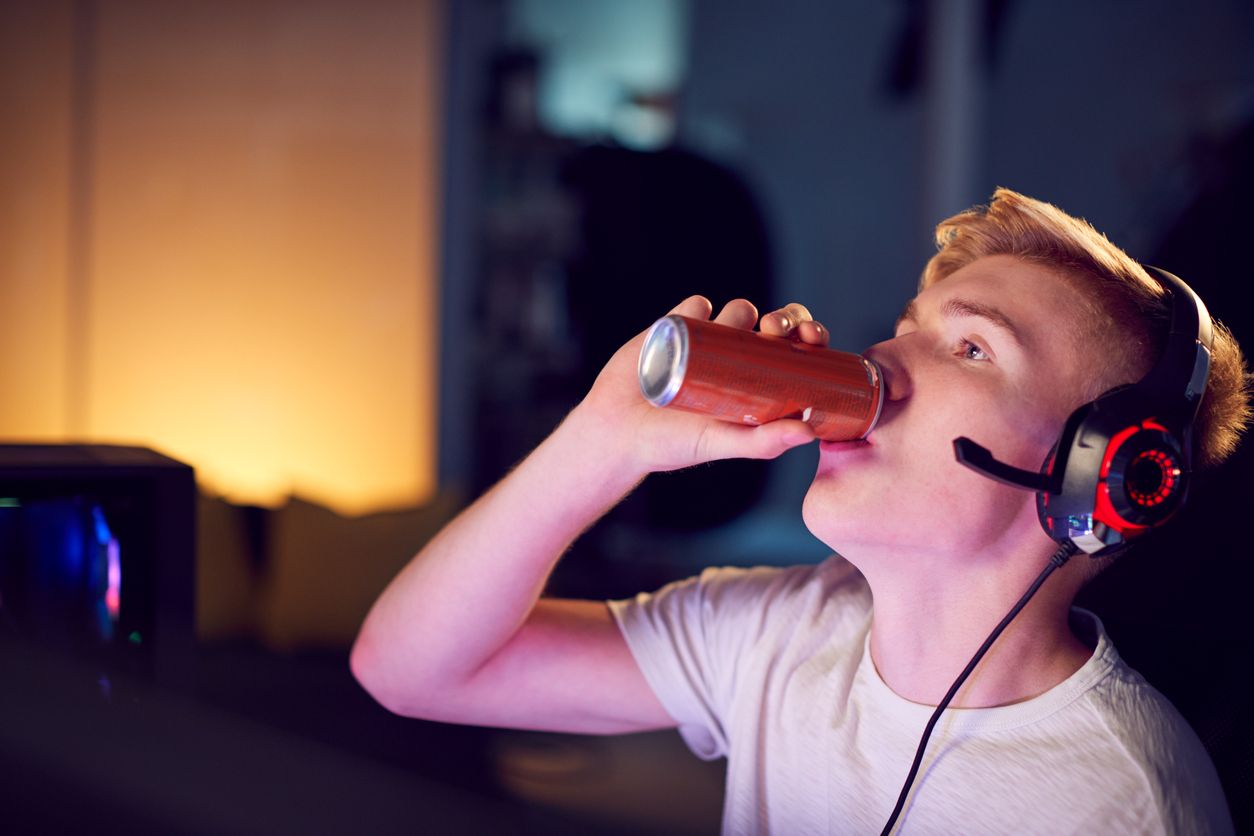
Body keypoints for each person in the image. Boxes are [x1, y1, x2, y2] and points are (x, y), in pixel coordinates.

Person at [351, 189, 1248, 833]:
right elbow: (410, 670)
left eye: (971, 348)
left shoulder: (1121, 805)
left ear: (1096, 473)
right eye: (908, 324)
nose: (884, 360)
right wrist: (602, 439)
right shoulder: (783, 632)